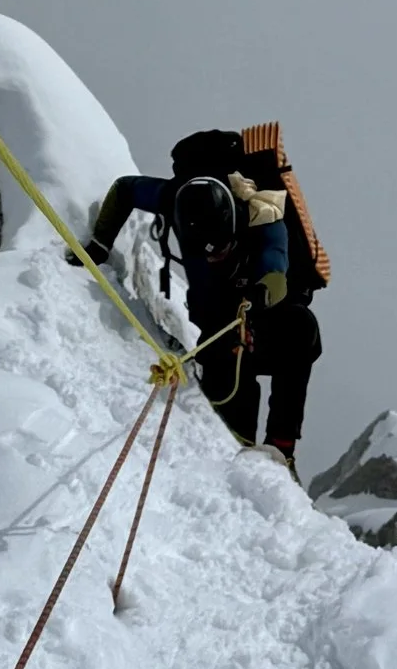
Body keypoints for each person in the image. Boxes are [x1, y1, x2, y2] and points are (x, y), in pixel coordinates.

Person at [71, 137, 323, 476]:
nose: (211, 254)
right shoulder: (173, 197)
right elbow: (125, 190)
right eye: (202, 249)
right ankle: (242, 451)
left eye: (220, 247)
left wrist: (261, 296)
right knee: (230, 389)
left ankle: (281, 450)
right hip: (217, 322)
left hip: (261, 310)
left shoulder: (262, 213)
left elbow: (276, 268)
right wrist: (99, 244)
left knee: (300, 327)